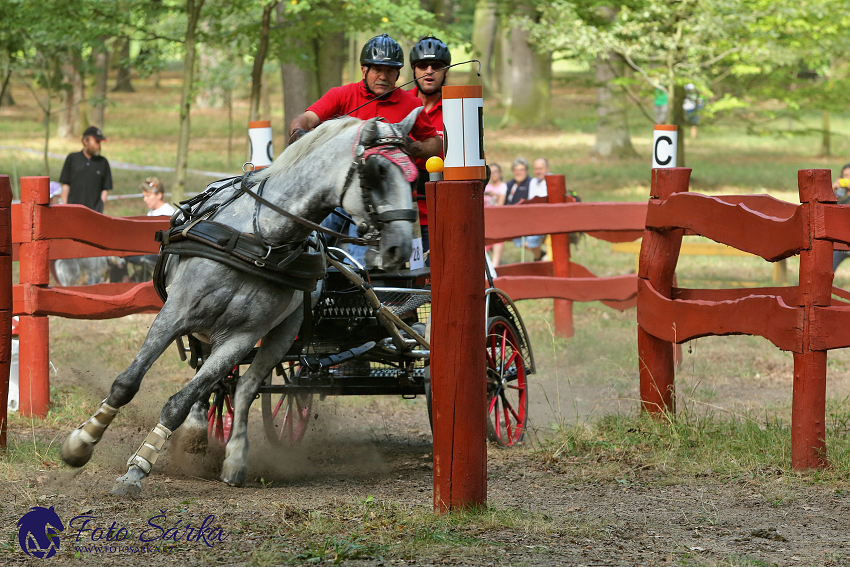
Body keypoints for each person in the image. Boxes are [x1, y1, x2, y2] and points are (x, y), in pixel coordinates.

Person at [288, 34, 441, 267]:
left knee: (361, 266)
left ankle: (360, 286)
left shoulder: (411, 105)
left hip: (380, 201)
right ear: (363, 70)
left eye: (390, 71)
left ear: (398, 74)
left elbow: (435, 143)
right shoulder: (341, 95)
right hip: (336, 197)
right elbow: (305, 119)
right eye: (377, 69)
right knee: (309, 249)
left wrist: (412, 147)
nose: (383, 76)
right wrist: (299, 134)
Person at [408, 35, 451, 261]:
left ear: (446, 71)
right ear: (414, 70)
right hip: (405, 215)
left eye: (437, 66)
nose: (429, 71)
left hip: (443, 214)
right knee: (407, 282)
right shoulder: (401, 103)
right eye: (423, 66)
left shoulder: (457, 106)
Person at [59, 126, 112, 213]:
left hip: (94, 213)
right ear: (85, 141)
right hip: (73, 211)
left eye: (100, 142)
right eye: (96, 141)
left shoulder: (103, 162)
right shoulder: (72, 158)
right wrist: (65, 207)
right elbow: (66, 185)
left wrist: (100, 207)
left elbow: (105, 188)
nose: (98, 145)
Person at [505, 158, 546, 262]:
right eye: (516, 170)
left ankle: (539, 258)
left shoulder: (530, 183)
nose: (518, 172)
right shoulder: (510, 185)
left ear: (527, 171)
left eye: (521, 170)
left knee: (530, 240)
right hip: (511, 220)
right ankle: (540, 256)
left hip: (527, 219)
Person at [484, 163, 507, 266]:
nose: (493, 174)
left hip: (496, 221)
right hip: (486, 220)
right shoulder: (487, 186)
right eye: (491, 172)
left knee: (497, 243)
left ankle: (495, 266)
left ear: (500, 173)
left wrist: (495, 195)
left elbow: (500, 205)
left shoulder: (502, 186)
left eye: (495, 172)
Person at [833, 164, 850, 272]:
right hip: (841, 239)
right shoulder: (840, 193)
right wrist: (831, 189)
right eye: (845, 176)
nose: (848, 178)